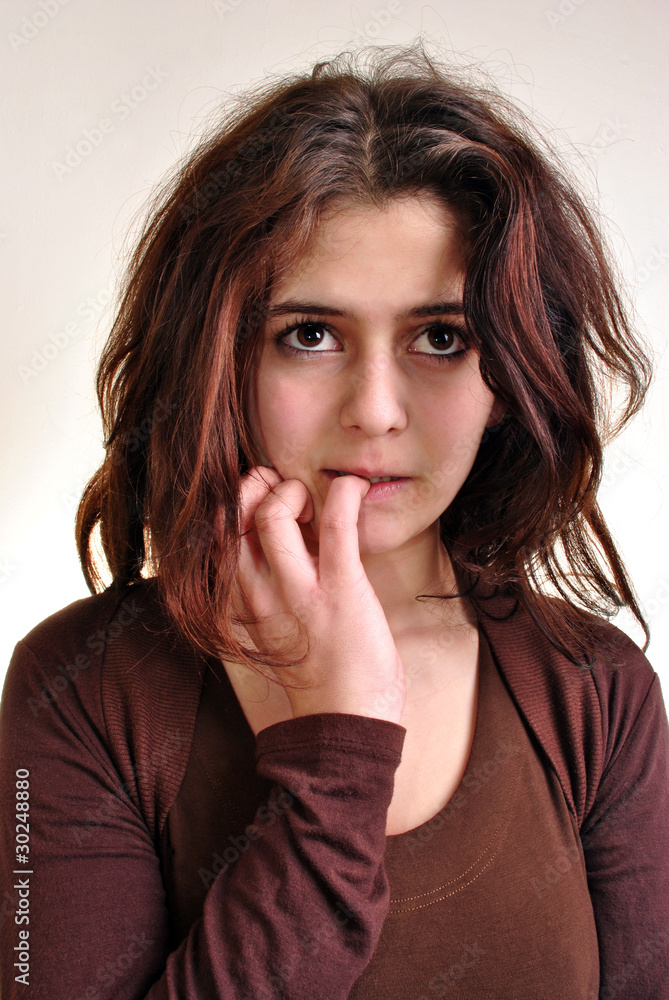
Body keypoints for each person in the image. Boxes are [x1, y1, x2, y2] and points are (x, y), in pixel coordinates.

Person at [1, 40, 667, 999]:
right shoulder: (84, 690)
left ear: (512, 377)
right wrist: (338, 756)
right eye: (308, 334)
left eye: (442, 337)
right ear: (218, 362)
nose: (376, 411)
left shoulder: (597, 692)